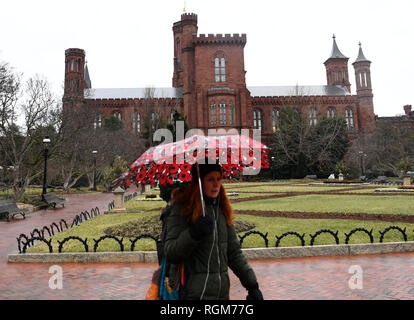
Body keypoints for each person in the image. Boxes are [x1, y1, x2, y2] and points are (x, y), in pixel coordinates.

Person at [163, 160, 264, 300]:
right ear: (199, 182)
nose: (216, 184)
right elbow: (170, 252)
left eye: (218, 179)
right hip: (191, 294)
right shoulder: (182, 210)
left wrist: (252, 285)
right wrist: (193, 233)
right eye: (210, 179)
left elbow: (233, 253)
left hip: (221, 294)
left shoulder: (222, 210)